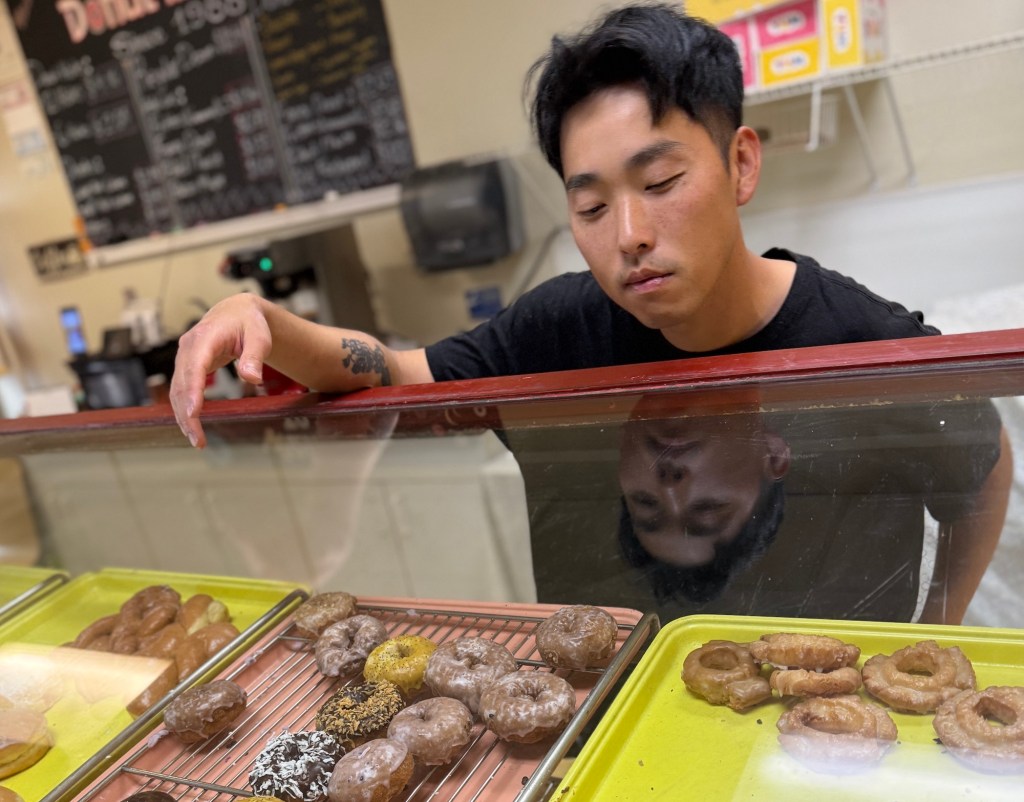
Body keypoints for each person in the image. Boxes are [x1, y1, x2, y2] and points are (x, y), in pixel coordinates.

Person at [170, 3, 1010, 623]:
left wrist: (939, 623)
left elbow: (982, 468)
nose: (630, 236)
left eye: (661, 183)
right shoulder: (556, 331)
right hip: (604, 725)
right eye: (592, 205)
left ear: (742, 164)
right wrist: (264, 318)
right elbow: (394, 372)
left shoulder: (866, 341)